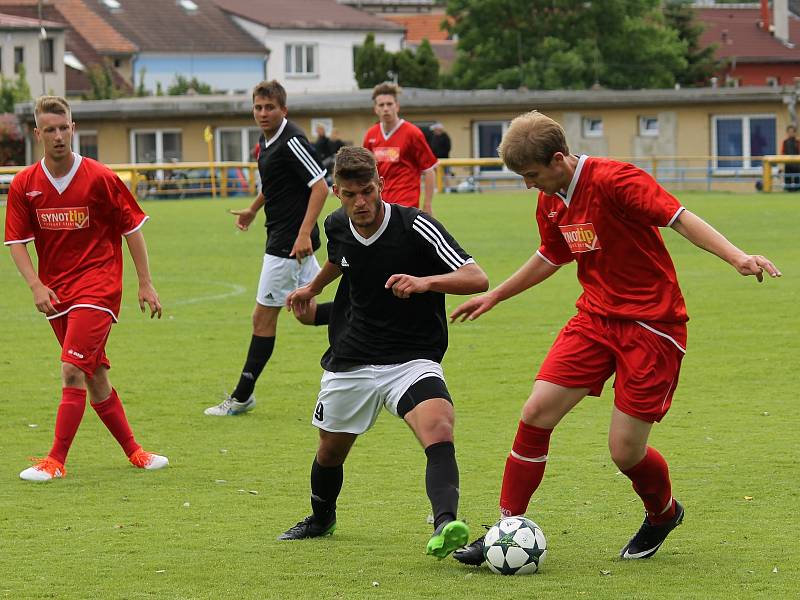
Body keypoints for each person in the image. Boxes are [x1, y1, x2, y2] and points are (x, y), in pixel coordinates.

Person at [449, 110, 781, 563]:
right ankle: (504, 531)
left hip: (653, 326)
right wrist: (497, 296)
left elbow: (679, 217)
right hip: (595, 319)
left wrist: (737, 257)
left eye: (531, 175)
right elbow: (552, 254)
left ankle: (663, 513)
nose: (529, 184)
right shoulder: (550, 199)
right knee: (535, 412)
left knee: (625, 451)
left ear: (560, 159)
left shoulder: (616, 180)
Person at [279, 146, 489, 560]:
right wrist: (312, 289)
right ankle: (322, 517)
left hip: (411, 358)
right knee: (330, 450)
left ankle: (446, 523)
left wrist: (426, 282)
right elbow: (342, 260)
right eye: (351, 194)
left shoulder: (417, 227)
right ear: (337, 191)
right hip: (353, 357)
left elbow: (476, 278)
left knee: (439, 426)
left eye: (368, 191)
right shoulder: (337, 224)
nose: (361, 202)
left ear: (381, 186)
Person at [4, 95, 169, 481]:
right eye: (51, 130)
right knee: (95, 376)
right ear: (37, 134)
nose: (59, 136)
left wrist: (145, 283)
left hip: (99, 287)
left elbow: (132, 230)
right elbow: (16, 243)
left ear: (73, 128)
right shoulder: (25, 184)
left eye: (65, 128)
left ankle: (55, 461)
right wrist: (35, 285)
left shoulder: (101, 178)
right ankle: (136, 453)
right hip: (57, 294)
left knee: (71, 369)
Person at [204, 80, 331, 417]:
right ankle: (364, 312)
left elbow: (321, 187)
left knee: (262, 318)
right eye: (258, 107)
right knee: (306, 314)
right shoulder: (267, 139)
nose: (262, 113)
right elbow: (276, 184)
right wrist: (253, 208)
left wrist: (303, 234)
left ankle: (242, 395)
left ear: (283, 110)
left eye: (269, 108)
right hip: (284, 237)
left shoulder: (292, 141)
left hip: (288, 245)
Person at [363, 82, 437, 214]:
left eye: (389, 104)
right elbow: (366, 172)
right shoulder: (370, 135)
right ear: (376, 109)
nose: (386, 108)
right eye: (381, 105)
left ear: (397, 106)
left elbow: (429, 170)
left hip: (406, 203)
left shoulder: (412, 133)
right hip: (380, 203)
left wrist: (427, 204)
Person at [780, 125, 800, 192]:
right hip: (788, 164)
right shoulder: (785, 142)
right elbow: (782, 153)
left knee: (798, 181)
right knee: (787, 181)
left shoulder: (798, 142)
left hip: (797, 165)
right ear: (787, 133)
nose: (791, 133)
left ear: (795, 133)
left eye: (792, 132)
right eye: (789, 132)